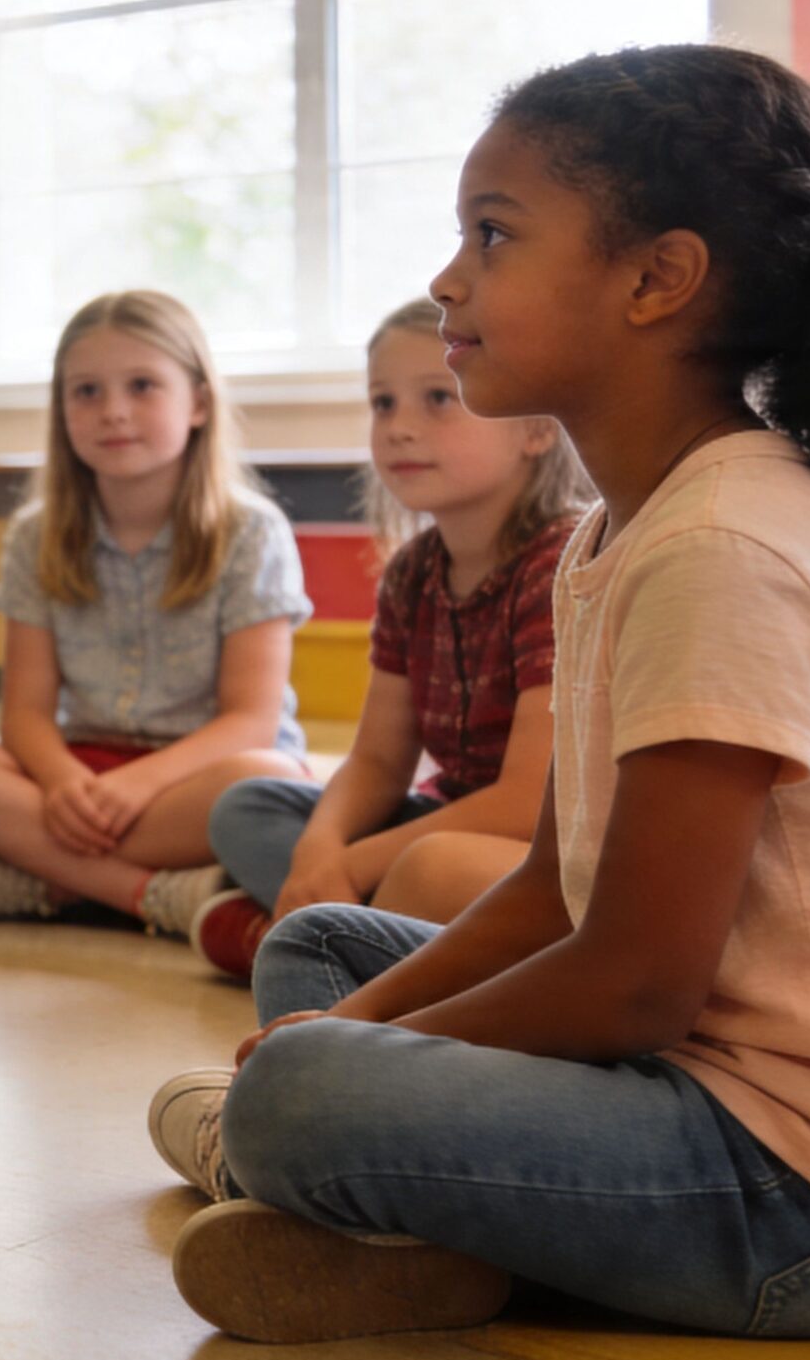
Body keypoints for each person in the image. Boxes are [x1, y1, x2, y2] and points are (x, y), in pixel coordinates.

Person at [150, 44, 810, 1345]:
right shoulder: (620, 529)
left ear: (658, 279)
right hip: (690, 1080)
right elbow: (557, 885)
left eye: (493, 235)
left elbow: (633, 986)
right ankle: (433, 1240)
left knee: (305, 1094)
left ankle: (353, 1180)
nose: (449, 278)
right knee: (319, 953)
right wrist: (363, 1022)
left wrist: (347, 1065)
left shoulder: (727, 543)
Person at [193, 298, 590, 977]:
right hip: (444, 825)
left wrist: (352, 862)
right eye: (382, 404)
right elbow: (378, 762)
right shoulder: (412, 572)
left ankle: (308, 934)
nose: (400, 428)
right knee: (249, 808)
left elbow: (528, 803)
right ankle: (339, 929)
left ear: (536, 428)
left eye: (439, 398)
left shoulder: (558, 562)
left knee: (427, 864)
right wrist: (322, 846)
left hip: (539, 850)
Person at [0, 289, 311, 936]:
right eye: (87, 392)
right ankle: (156, 895)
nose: (114, 413)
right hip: (84, 774)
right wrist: (63, 783)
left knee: (264, 783)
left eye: (142, 386)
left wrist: (133, 790)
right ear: (61, 411)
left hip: (198, 778)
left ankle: (51, 878)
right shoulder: (35, 534)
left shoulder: (252, 531)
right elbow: (23, 715)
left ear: (200, 403)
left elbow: (250, 721)